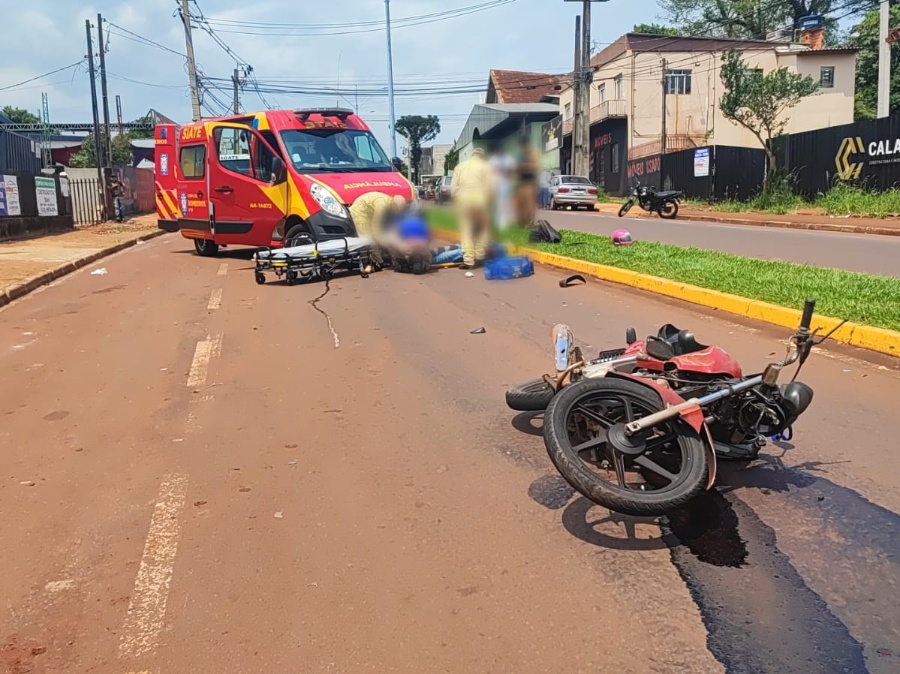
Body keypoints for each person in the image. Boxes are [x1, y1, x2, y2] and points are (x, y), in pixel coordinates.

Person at [450, 147, 494, 269]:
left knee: (467, 230)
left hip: (464, 200)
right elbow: (490, 187)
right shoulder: (487, 167)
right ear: (482, 156)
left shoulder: (459, 167)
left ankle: (469, 261)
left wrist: (458, 200)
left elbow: (453, 189)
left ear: (472, 155)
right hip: (481, 201)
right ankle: (479, 256)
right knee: (484, 229)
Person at [349, 192, 407, 273]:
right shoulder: (382, 205)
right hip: (360, 213)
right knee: (368, 239)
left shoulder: (389, 204)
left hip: (369, 213)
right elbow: (376, 226)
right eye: (396, 209)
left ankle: (379, 261)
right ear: (394, 204)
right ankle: (372, 263)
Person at [514, 137, 539, 227]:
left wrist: (523, 167)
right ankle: (522, 223)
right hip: (521, 183)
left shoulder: (532, 154)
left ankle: (529, 223)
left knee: (529, 205)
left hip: (529, 183)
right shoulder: (521, 156)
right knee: (520, 205)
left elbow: (534, 167)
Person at [489, 148, 513, 231]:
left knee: (503, 204)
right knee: (494, 204)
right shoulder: (493, 159)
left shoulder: (508, 159)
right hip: (494, 184)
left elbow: (510, 172)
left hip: (504, 185)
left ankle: (502, 224)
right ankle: (493, 222)